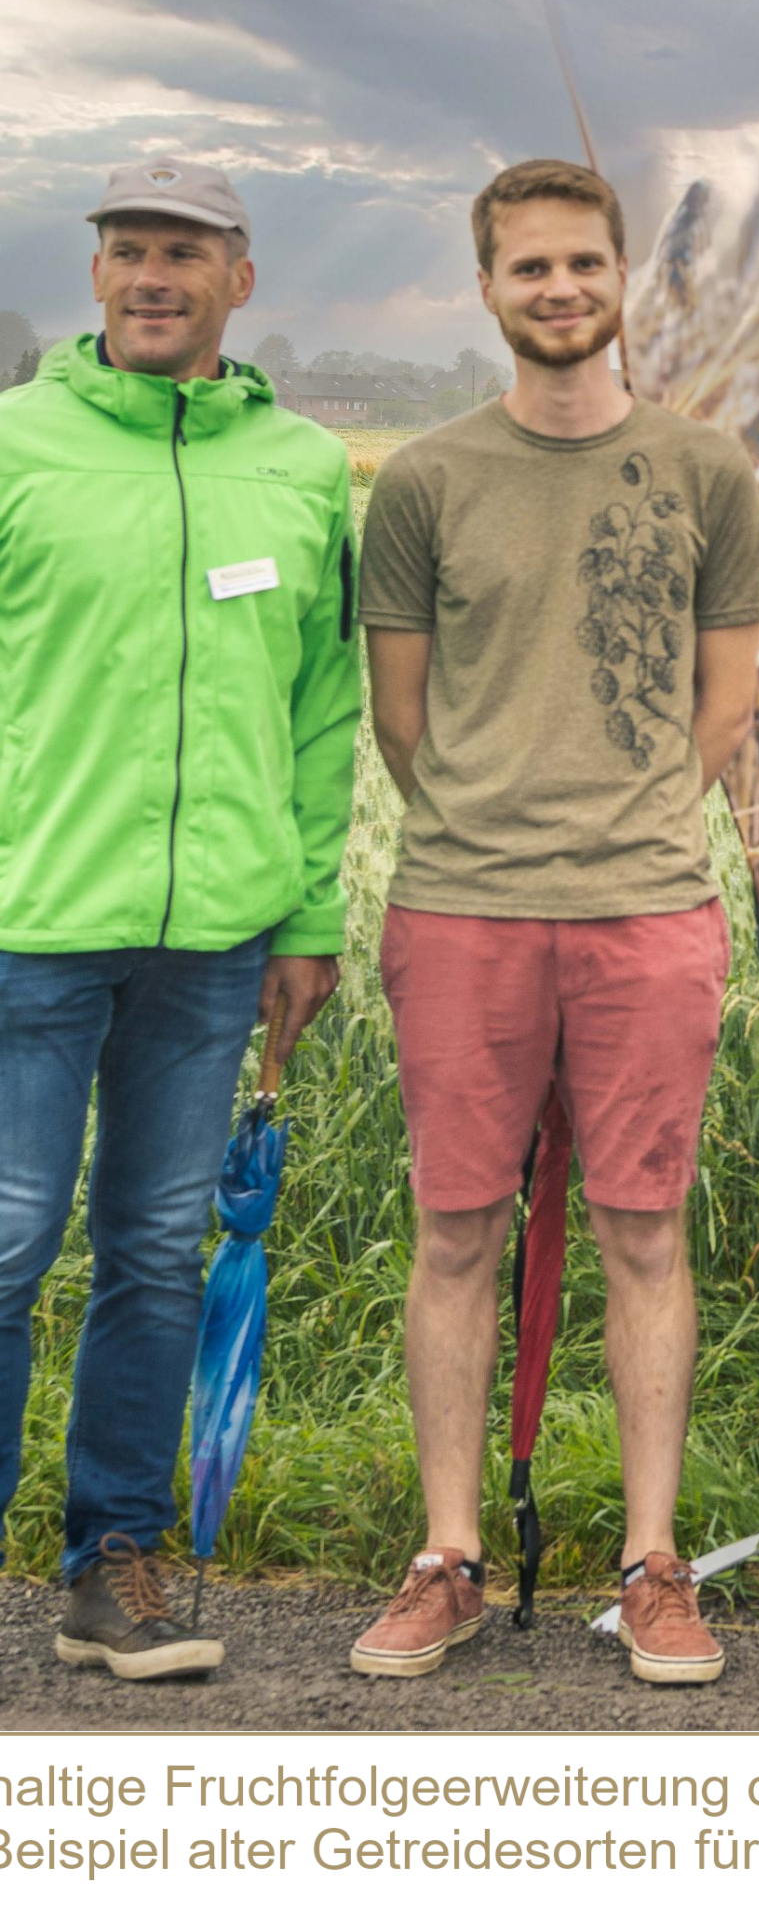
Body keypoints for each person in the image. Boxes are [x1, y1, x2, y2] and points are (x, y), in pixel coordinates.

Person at [355, 159, 759, 1684]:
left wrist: (630, 824)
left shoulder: (704, 471)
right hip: (462, 910)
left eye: (583, 263)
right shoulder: (425, 481)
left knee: (645, 1229)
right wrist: (494, 829)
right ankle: (448, 1556)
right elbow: (403, 718)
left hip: (646, 911)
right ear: (487, 288)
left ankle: (654, 1564)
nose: (559, 289)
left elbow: (726, 700)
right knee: (457, 1229)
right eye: (529, 267)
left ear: (619, 279)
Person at [0, 159, 356, 1681]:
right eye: (130, 250)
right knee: (7, 1239)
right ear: (96, 275)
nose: (155, 275)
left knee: (153, 1249)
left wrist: (308, 912)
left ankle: (113, 1565)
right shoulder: (15, 442)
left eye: (186, 253)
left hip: (214, 938)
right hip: (29, 924)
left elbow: (324, 706)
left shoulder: (304, 467)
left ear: (239, 281)